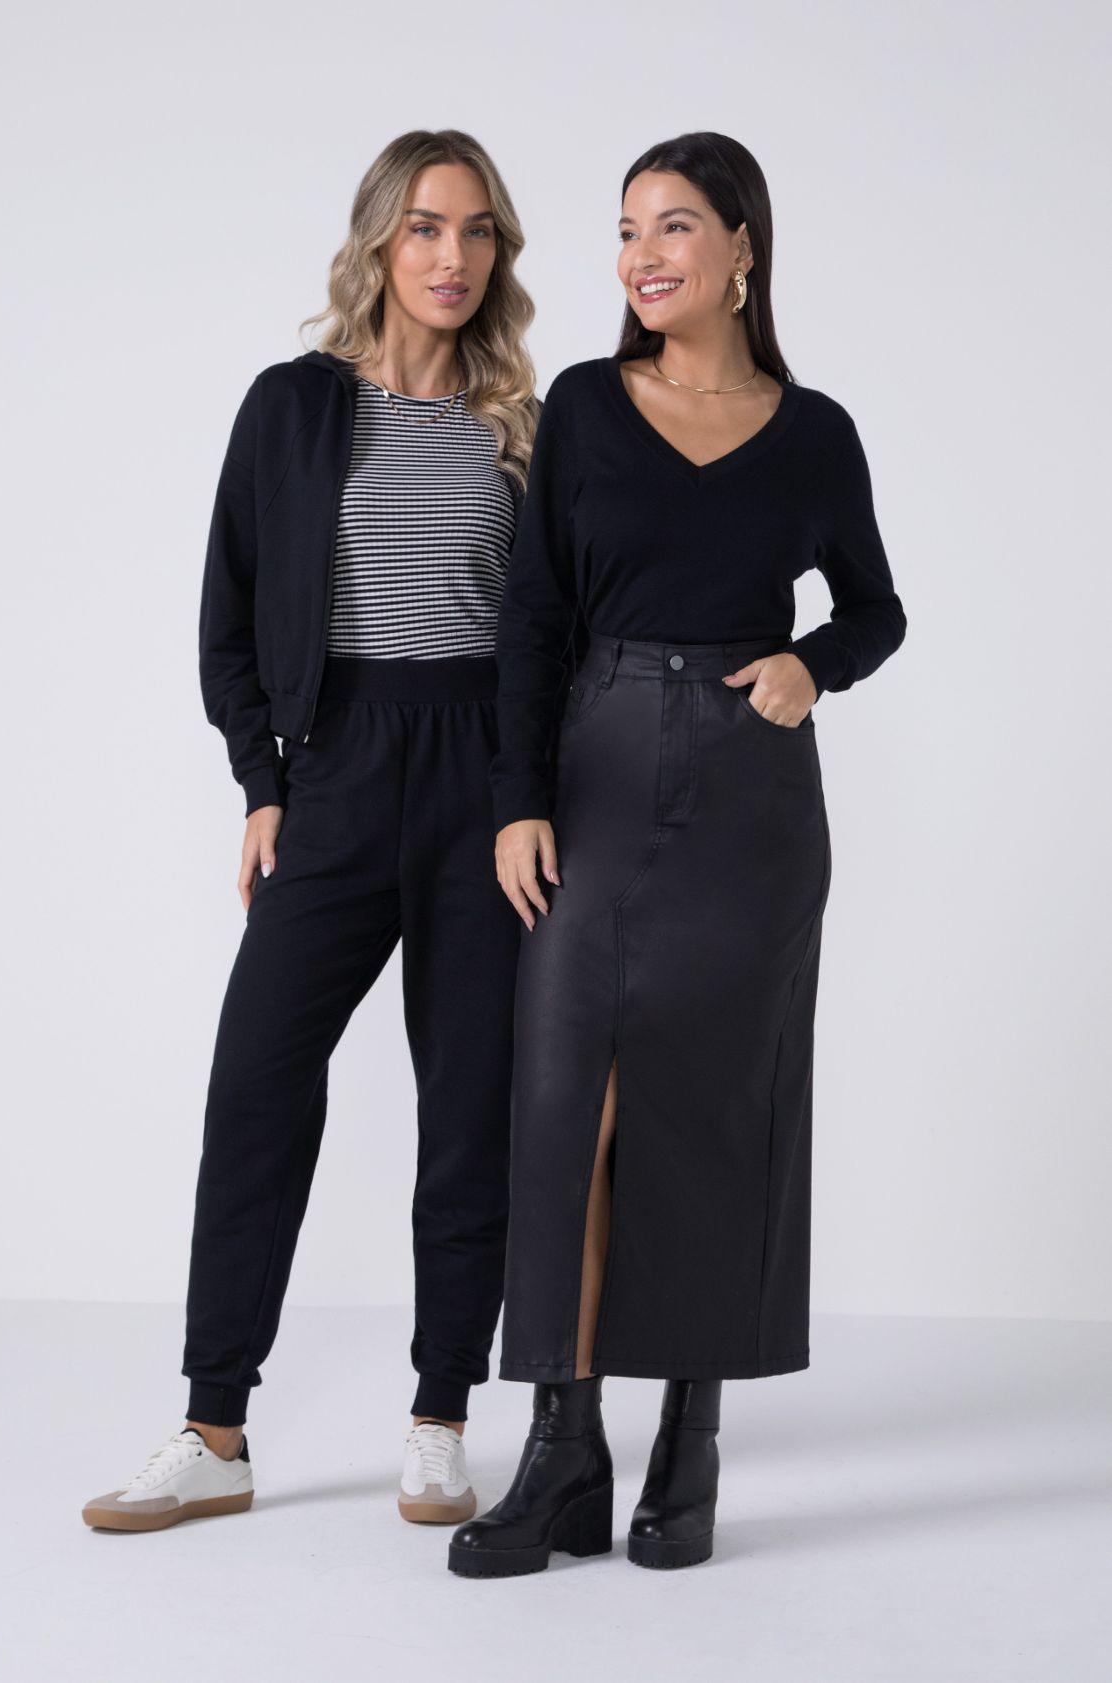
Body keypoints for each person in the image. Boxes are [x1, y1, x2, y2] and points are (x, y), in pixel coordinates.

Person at [448, 130, 908, 1577]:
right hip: (592, 766)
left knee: (713, 1110)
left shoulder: (812, 430)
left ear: (741, 248)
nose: (642, 256)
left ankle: (688, 1445)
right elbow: (533, 614)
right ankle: (561, 1450)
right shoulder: (588, 406)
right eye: (627, 230)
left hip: (748, 797)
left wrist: (812, 666)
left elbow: (877, 606)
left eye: (674, 226)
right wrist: (517, 799)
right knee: (565, 1107)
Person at [81, 129, 543, 1532]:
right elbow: (227, 612)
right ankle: (214, 1430)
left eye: (477, 231)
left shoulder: (525, 426)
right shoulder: (292, 406)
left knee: (469, 1106)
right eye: (426, 228)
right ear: (377, 243)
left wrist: (531, 799)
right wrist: (263, 783)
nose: (452, 257)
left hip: (480, 783)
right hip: (335, 771)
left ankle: (440, 1419)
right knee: (257, 1089)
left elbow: (551, 637)